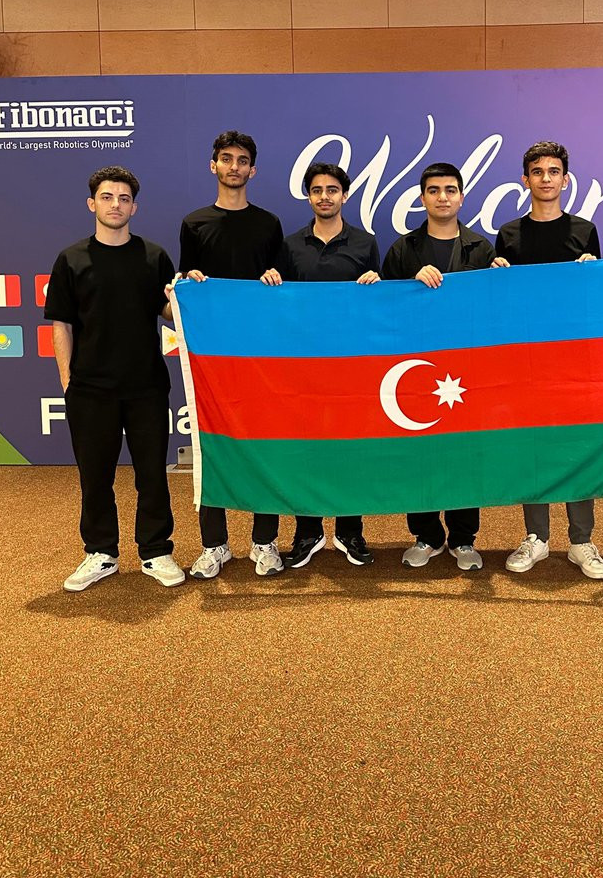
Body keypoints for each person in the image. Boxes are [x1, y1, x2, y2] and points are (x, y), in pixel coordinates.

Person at [45, 166, 184, 592]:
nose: (116, 205)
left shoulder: (154, 257)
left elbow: (167, 315)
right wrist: (69, 383)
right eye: (107, 197)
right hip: (90, 390)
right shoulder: (71, 259)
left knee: (152, 475)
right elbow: (61, 325)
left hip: (146, 386)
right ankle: (101, 552)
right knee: (95, 477)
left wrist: (178, 299)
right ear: (93, 203)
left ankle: (156, 551)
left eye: (124, 199)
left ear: (134, 208)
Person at [493, 141, 603, 580]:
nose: (546, 178)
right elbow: (501, 304)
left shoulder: (584, 230)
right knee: (534, 446)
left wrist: (594, 271)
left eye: (554, 171)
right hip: (525, 360)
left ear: (565, 179)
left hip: (573, 360)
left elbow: (594, 299)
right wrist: (496, 275)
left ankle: (581, 541)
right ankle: (536, 537)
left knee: (576, 445)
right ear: (525, 179)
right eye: (537, 171)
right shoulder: (508, 234)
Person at [260, 162, 381, 568]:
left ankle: (350, 530)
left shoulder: (365, 243)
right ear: (308, 196)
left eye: (332, 190)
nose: (324, 197)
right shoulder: (291, 245)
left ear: (344, 195)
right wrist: (271, 282)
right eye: (317, 190)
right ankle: (308, 531)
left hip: (352, 366)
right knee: (305, 448)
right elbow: (279, 306)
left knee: (352, 448)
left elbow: (380, 308)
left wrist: (375, 285)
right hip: (303, 366)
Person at [178, 130, 285, 579]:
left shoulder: (269, 224)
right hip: (212, 359)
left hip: (261, 355)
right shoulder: (194, 223)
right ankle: (214, 545)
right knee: (213, 446)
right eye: (226, 158)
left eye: (242, 160)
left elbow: (283, 290)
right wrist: (191, 281)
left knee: (265, 445)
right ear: (214, 165)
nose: (234, 166)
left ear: (252, 170)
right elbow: (183, 286)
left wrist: (275, 279)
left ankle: (265, 541)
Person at [382, 162, 495, 571]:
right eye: (433, 190)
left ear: (461, 197)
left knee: (464, 452)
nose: (442, 197)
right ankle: (426, 535)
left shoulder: (481, 249)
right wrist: (409, 283)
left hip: (465, 371)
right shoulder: (403, 249)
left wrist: (500, 279)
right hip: (417, 368)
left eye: (450, 190)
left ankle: (463, 539)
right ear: (422, 197)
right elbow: (384, 306)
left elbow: (491, 310)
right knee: (421, 452)